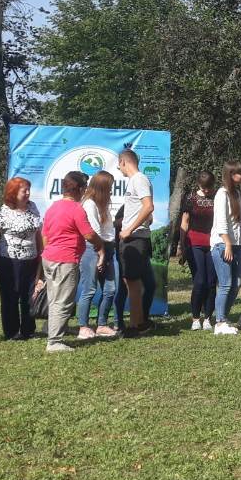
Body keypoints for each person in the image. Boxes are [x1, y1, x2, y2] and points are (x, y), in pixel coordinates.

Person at [40, 171, 105, 353]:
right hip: (65, 259)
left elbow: (45, 235)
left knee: (54, 297)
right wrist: (100, 244)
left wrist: (49, 252)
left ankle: (51, 328)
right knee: (64, 301)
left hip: (49, 257)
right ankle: (54, 341)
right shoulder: (76, 209)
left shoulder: (53, 207)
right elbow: (89, 234)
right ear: (81, 189)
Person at [0, 176, 41, 341]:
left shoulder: (32, 207)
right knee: (10, 295)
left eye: (29, 190)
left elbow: (38, 232)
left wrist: (41, 252)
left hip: (31, 258)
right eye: (24, 191)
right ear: (13, 192)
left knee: (29, 295)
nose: (28, 193)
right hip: (9, 260)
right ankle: (11, 331)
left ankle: (28, 330)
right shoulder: (4, 210)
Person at [75, 171, 120, 339]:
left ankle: (101, 325)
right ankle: (83, 326)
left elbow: (107, 230)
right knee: (90, 288)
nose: (111, 190)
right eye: (110, 187)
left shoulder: (103, 204)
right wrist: (101, 254)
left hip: (107, 247)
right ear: (102, 187)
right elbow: (93, 232)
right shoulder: (89, 204)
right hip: (93, 248)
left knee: (110, 289)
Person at [116, 150, 155, 336]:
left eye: (119, 164)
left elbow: (149, 206)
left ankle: (134, 326)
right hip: (135, 237)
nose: (119, 168)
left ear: (124, 162)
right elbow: (146, 210)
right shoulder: (135, 181)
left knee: (132, 283)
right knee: (133, 283)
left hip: (135, 239)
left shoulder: (139, 179)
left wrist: (129, 229)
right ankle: (139, 323)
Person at [210, 160, 241, 335]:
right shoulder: (221, 194)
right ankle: (219, 322)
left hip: (236, 245)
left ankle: (223, 316)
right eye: (239, 173)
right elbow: (221, 223)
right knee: (225, 284)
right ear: (231, 175)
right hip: (223, 245)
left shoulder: (236, 194)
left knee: (236, 283)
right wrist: (227, 244)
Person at [180, 171, 217, 331]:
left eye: (209, 187)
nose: (207, 191)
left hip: (213, 243)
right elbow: (185, 222)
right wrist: (182, 245)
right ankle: (196, 318)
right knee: (200, 281)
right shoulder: (190, 198)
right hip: (194, 243)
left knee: (211, 282)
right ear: (198, 185)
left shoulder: (217, 198)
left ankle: (208, 317)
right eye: (204, 188)